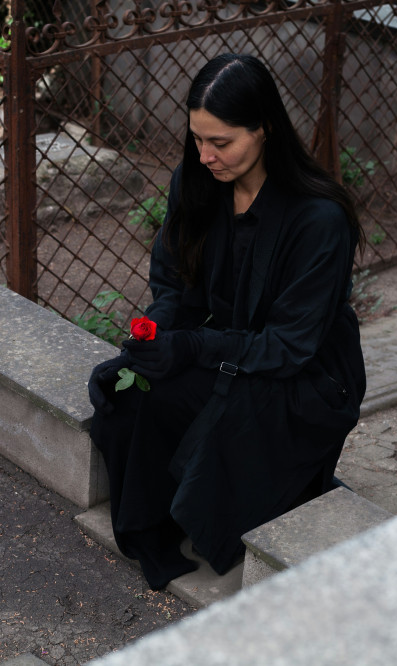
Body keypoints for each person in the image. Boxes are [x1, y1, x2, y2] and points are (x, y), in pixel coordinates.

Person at [87, 53, 367, 590]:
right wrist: (154, 339)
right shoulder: (197, 182)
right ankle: (158, 529)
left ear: (264, 129)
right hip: (229, 345)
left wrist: (192, 348)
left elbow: (289, 344)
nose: (205, 155)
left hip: (302, 374)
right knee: (129, 391)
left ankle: (228, 513)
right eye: (197, 139)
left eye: (221, 142)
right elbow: (173, 282)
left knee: (179, 400)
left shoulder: (319, 219)